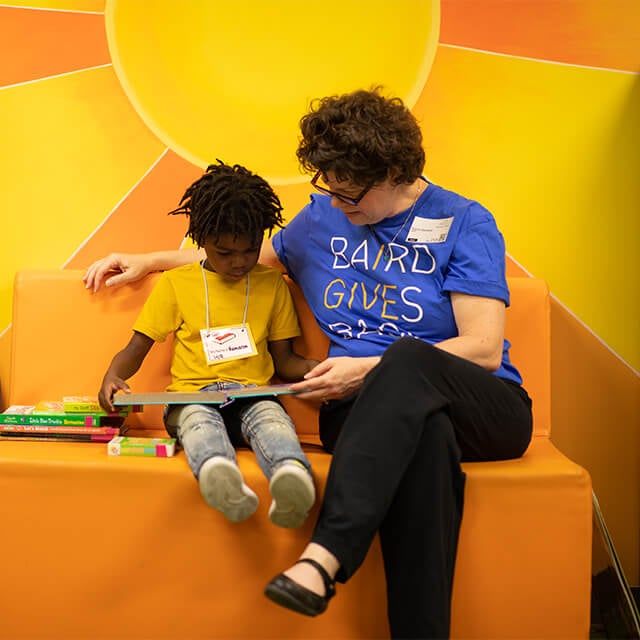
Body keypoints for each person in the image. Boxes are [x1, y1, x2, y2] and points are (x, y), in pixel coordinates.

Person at [85, 88, 533, 639]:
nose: (336, 203)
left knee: (408, 362)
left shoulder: (464, 221)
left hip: (482, 408)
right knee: (425, 442)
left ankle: (325, 556)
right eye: (328, 187)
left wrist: (369, 367)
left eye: (350, 194)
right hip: (367, 413)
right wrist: (149, 259)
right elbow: (243, 263)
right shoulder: (323, 216)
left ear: (394, 171)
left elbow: (484, 348)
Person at [98, 161, 319, 528]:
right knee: (200, 424)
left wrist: (316, 371)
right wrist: (112, 376)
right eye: (224, 252)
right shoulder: (176, 284)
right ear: (202, 241)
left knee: (274, 422)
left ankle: (291, 479)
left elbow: (285, 361)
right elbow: (137, 347)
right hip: (192, 397)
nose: (239, 262)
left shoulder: (272, 284)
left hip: (254, 395)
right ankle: (220, 477)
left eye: (249, 251)